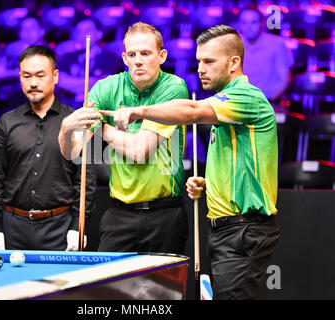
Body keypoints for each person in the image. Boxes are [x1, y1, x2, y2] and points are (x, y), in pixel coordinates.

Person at [100, 25, 280, 300]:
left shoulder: (246, 97)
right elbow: (244, 165)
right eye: (198, 62)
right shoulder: (226, 106)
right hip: (228, 228)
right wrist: (208, 184)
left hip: (243, 229)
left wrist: (139, 111)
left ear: (234, 63)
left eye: (209, 61)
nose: (200, 69)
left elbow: (193, 111)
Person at [58, 22, 189, 255]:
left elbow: (140, 152)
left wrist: (103, 128)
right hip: (119, 214)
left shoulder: (174, 88)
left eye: (146, 53)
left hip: (165, 213)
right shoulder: (105, 88)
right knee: (110, 290)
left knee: (163, 291)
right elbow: (72, 153)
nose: (138, 60)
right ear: (124, 58)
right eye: (132, 54)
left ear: (162, 56)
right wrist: (66, 129)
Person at [0, 45, 96, 251]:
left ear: (55, 76)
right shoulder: (7, 122)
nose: (33, 83)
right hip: (13, 227)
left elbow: (84, 180)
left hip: (60, 227)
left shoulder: (76, 121)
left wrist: (77, 226)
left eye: (40, 75)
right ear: (20, 78)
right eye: (27, 76)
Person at [56, 19, 122, 108]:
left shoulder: (109, 57)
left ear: (99, 34)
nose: (82, 35)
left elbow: (104, 86)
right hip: (70, 110)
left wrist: (73, 84)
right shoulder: (68, 57)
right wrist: (92, 82)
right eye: (78, 32)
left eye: (87, 31)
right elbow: (61, 82)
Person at [237, 6, 294, 103]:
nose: (248, 27)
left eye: (253, 22)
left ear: (262, 24)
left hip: (270, 103)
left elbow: (285, 79)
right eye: (244, 22)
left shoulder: (277, 45)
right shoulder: (233, 44)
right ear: (239, 24)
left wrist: (268, 101)